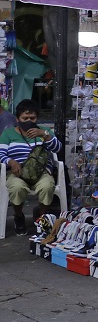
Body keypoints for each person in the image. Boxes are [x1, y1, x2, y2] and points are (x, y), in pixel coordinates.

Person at [0, 99, 60, 235]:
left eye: (32, 118)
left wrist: (44, 135)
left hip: (41, 172)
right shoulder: (8, 134)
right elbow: (1, 154)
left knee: (47, 186)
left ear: (37, 118)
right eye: (24, 118)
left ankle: (42, 217)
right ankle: (19, 216)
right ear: (17, 119)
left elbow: (57, 148)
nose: (28, 120)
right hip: (17, 172)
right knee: (17, 188)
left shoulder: (44, 131)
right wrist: (11, 162)